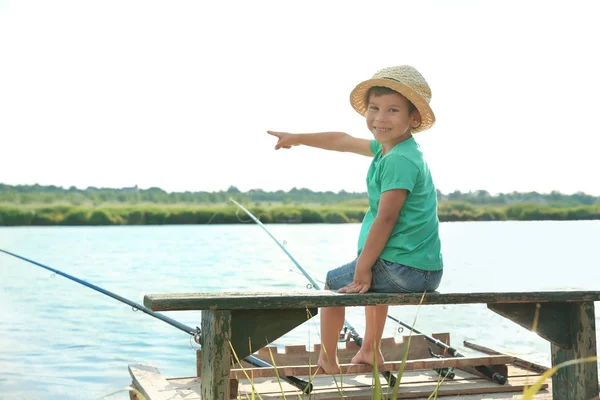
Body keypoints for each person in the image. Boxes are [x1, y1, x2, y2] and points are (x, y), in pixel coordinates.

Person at [267, 65, 443, 374]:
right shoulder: (392, 150)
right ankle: (370, 351)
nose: (379, 118)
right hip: (422, 269)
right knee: (371, 280)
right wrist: (298, 137)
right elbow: (343, 141)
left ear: (413, 119)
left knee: (335, 283)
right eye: (374, 108)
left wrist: (362, 267)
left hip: (404, 270)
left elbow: (386, 219)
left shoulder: (398, 160)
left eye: (392, 110)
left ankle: (327, 359)